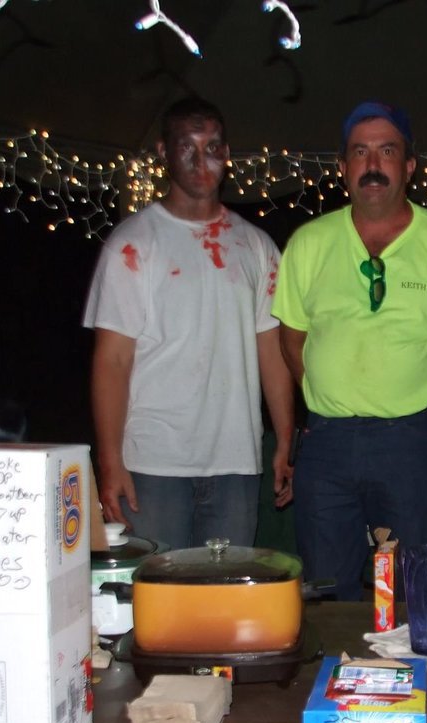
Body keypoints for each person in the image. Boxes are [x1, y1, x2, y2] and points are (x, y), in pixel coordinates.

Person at [272, 100, 427, 600]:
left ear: (409, 165)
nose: (373, 165)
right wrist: (330, 390)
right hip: (325, 443)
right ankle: (337, 675)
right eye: (360, 152)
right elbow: (291, 338)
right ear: (343, 167)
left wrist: (414, 411)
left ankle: (408, 675)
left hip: (407, 443)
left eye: (387, 151)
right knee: (324, 589)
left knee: (409, 587)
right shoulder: (308, 242)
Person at [83, 96, 295, 551]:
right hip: (154, 463)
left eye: (213, 147)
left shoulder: (256, 246)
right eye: (188, 148)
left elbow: (272, 353)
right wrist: (110, 462)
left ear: (228, 153)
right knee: (160, 605)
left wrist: (283, 439)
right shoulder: (133, 244)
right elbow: (113, 362)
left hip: (236, 461)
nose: (203, 161)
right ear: (163, 151)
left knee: (224, 604)